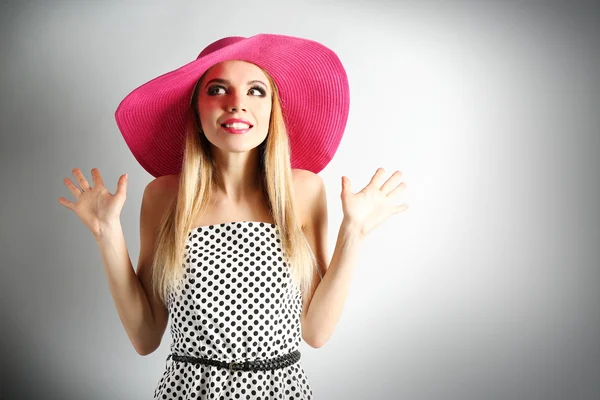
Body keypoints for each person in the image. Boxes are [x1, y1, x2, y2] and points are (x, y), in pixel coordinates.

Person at [58, 33, 408, 399]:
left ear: (273, 110)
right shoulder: (163, 196)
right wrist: (106, 232)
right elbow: (146, 337)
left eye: (256, 91)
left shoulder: (303, 191)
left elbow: (316, 333)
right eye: (217, 90)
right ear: (196, 109)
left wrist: (354, 232)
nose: (237, 103)